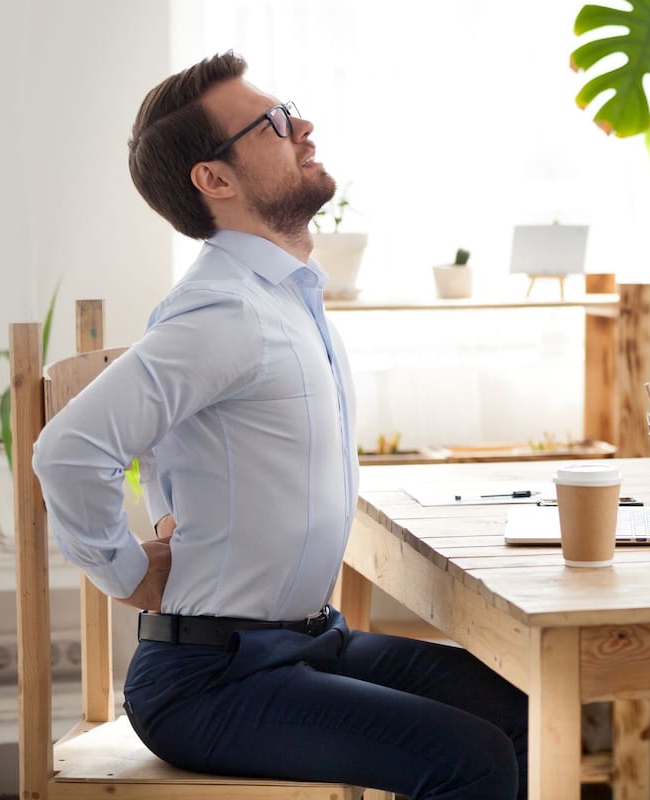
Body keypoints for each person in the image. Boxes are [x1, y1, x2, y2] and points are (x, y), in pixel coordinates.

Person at [32, 51, 527, 800]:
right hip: (208, 682)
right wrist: (127, 575)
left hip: (303, 643)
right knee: (473, 759)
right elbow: (69, 450)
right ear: (216, 179)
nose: (302, 126)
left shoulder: (279, 295)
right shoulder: (227, 310)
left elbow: (182, 445)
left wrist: (170, 514)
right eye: (271, 123)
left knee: (521, 709)